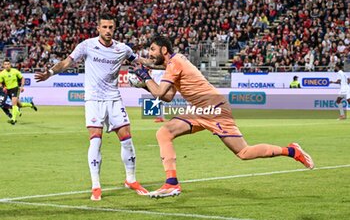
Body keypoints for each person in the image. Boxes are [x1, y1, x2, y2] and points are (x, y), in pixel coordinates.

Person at [133, 36, 314, 198]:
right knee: (164, 133)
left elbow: (158, 91)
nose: (150, 53)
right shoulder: (174, 64)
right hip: (199, 109)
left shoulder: (175, 63)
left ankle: (292, 150)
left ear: (164, 50)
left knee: (244, 152)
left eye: (152, 49)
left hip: (214, 108)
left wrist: (145, 77)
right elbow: (167, 96)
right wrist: (144, 80)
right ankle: (171, 183)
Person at [35, 13, 150, 201]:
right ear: (98, 28)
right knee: (96, 140)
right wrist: (49, 72)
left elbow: (140, 61)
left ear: (114, 28)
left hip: (114, 99)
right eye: (104, 27)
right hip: (93, 100)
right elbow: (67, 62)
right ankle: (96, 186)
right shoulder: (87, 45)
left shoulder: (122, 48)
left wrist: (164, 63)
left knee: (127, 138)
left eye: (111, 27)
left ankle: (131, 179)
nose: (108, 30)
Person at [0, 59, 37, 125]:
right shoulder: (2, 73)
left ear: (10, 65)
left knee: (13, 104)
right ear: (3, 65)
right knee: (20, 105)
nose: (7, 66)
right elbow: (0, 83)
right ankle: (31, 104)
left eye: (8, 64)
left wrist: (22, 87)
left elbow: (22, 78)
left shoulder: (15, 71)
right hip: (8, 90)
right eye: (5, 64)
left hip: (15, 89)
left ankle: (13, 119)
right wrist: (3, 87)